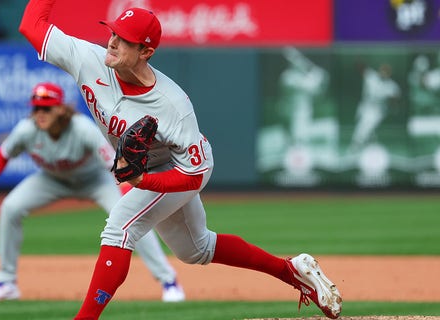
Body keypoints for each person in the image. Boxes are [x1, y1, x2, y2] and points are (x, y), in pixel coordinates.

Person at [18, 2, 342, 319]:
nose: (112, 41)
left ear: (145, 52)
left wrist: (142, 181)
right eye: (113, 32)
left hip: (180, 168)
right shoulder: (88, 59)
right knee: (196, 250)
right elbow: (31, 26)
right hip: (149, 169)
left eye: (124, 39)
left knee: (119, 227)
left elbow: (193, 177)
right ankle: (292, 271)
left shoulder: (172, 105)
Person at [0, 82, 185, 303]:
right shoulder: (27, 129)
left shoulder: (82, 128)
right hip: (52, 180)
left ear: (61, 108)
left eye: (46, 108)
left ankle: (169, 281)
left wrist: (128, 191)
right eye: (36, 108)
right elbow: (3, 155)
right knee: (10, 208)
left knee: (131, 218)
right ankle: (6, 283)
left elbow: (115, 164)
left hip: (95, 180)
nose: (40, 113)